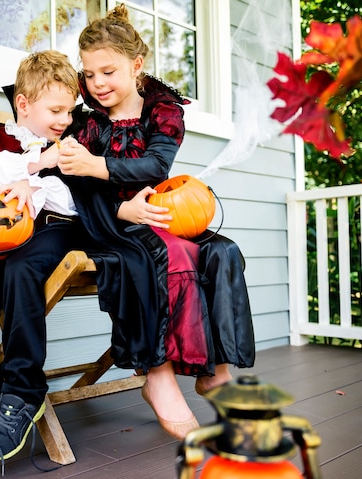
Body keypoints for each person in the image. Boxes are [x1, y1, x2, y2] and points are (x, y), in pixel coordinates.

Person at [57, 4, 255, 439]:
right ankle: (157, 375)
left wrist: (97, 166)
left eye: (108, 71)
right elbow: (66, 186)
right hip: (107, 223)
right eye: (89, 75)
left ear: (137, 64)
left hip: (158, 213)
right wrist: (117, 207)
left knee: (222, 251)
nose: (98, 83)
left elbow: (154, 166)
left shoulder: (162, 111)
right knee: (168, 253)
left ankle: (214, 371)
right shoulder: (85, 124)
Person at [0, 50, 87, 465]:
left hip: (56, 230)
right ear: (23, 104)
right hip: (4, 234)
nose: (64, 119)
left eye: (70, 110)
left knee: (24, 270)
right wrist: (36, 166)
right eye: (56, 110)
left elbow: (73, 200)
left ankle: (24, 392)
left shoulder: (73, 142)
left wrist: (31, 185)